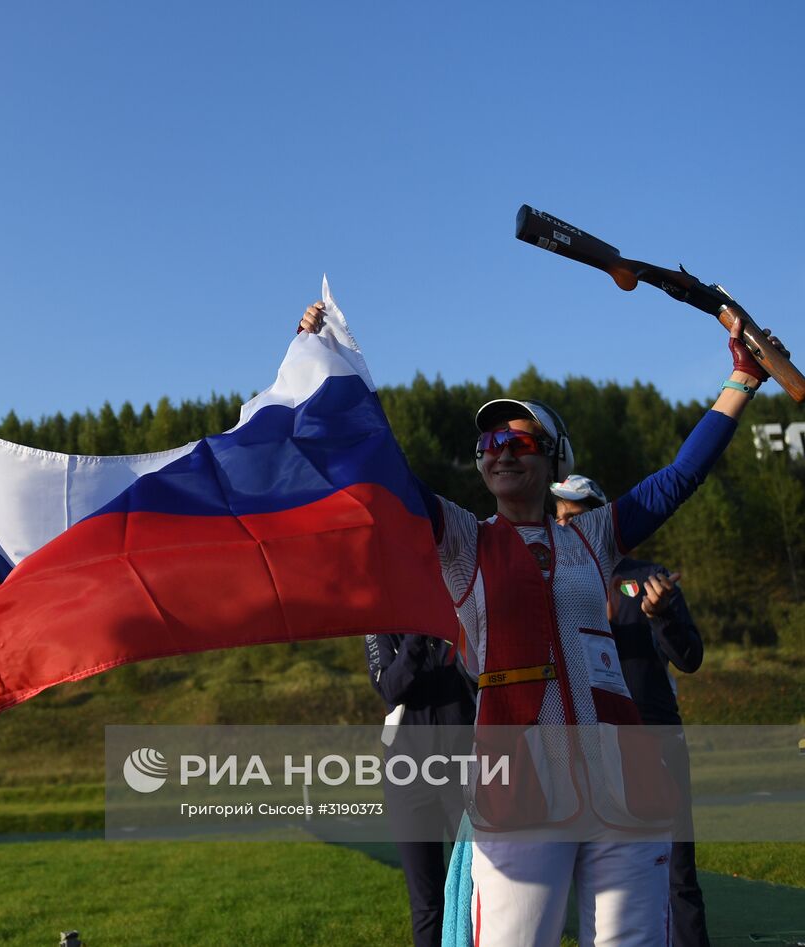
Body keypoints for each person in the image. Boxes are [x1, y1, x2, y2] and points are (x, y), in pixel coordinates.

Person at [299, 298, 787, 946]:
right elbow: (384, 474)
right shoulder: (463, 539)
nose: (501, 450)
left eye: (519, 439)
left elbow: (679, 478)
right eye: (489, 442)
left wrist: (744, 379)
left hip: (626, 788)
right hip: (521, 793)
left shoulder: (595, 535)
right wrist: (328, 363)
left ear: (554, 457)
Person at [552, 474, 710, 947]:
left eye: (574, 518)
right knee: (581, 875)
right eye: (557, 518)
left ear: (601, 520)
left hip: (655, 742)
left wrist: (662, 614)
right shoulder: (553, 588)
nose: (563, 527)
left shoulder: (647, 579)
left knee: (677, 876)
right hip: (583, 750)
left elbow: (690, 657)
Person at [365, 632, 475, 947]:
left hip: (462, 776)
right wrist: (415, 638)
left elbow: (480, 682)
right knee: (426, 901)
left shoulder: (456, 626)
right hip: (408, 781)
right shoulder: (380, 630)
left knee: (472, 888)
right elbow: (390, 687)